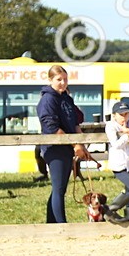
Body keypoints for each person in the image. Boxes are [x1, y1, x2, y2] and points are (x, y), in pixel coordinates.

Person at [37, 64, 90, 223]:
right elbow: (51, 127)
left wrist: (81, 144)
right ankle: (61, 225)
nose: (63, 82)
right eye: (59, 79)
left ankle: (51, 223)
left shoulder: (66, 98)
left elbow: (75, 122)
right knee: (59, 189)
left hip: (68, 146)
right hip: (55, 148)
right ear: (50, 80)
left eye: (65, 79)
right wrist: (75, 145)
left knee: (59, 189)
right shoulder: (48, 99)